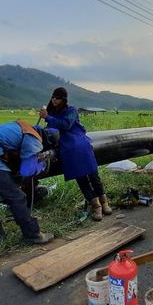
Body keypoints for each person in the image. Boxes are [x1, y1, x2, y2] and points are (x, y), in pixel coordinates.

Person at [39, 87, 112, 221]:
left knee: (94, 176)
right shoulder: (51, 113)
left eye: (58, 98)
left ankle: (105, 202)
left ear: (64, 99)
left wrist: (48, 117)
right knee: (81, 179)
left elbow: (66, 125)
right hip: (67, 149)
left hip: (81, 145)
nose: (54, 100)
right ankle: (96, 206)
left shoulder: (71, 110)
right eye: (53, 97)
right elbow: (50, 131)